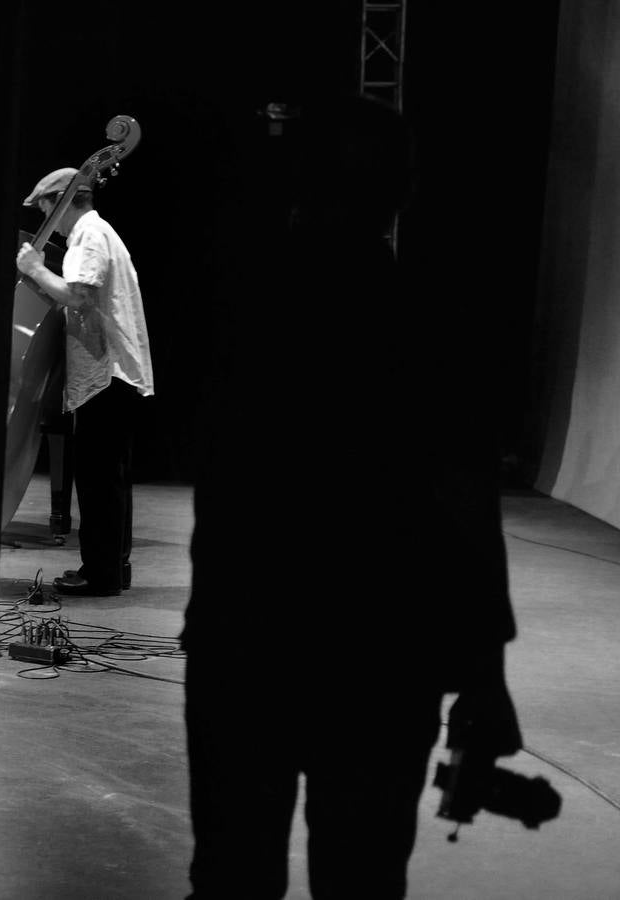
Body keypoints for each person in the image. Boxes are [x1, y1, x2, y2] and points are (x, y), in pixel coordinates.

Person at [182, 94, 525, 898]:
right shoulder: (430, 326)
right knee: (363, 877)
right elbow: (469, 509)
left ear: (294, 184)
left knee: (231, 875)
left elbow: (220, 481)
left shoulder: (239, 316)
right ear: (404, 193)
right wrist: (484, 674)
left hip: (247, 641)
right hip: (381, 656)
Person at [15, 169, 154, 596]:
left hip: (105, 375)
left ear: (63, 198)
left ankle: (100, 575)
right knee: (111, 479)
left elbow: (79, 295)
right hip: (116, 374)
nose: (45, 217)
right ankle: (113, 568)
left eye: (44, 206)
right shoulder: (100, 233)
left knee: (98, 480)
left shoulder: (88, 235)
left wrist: (36, 270)